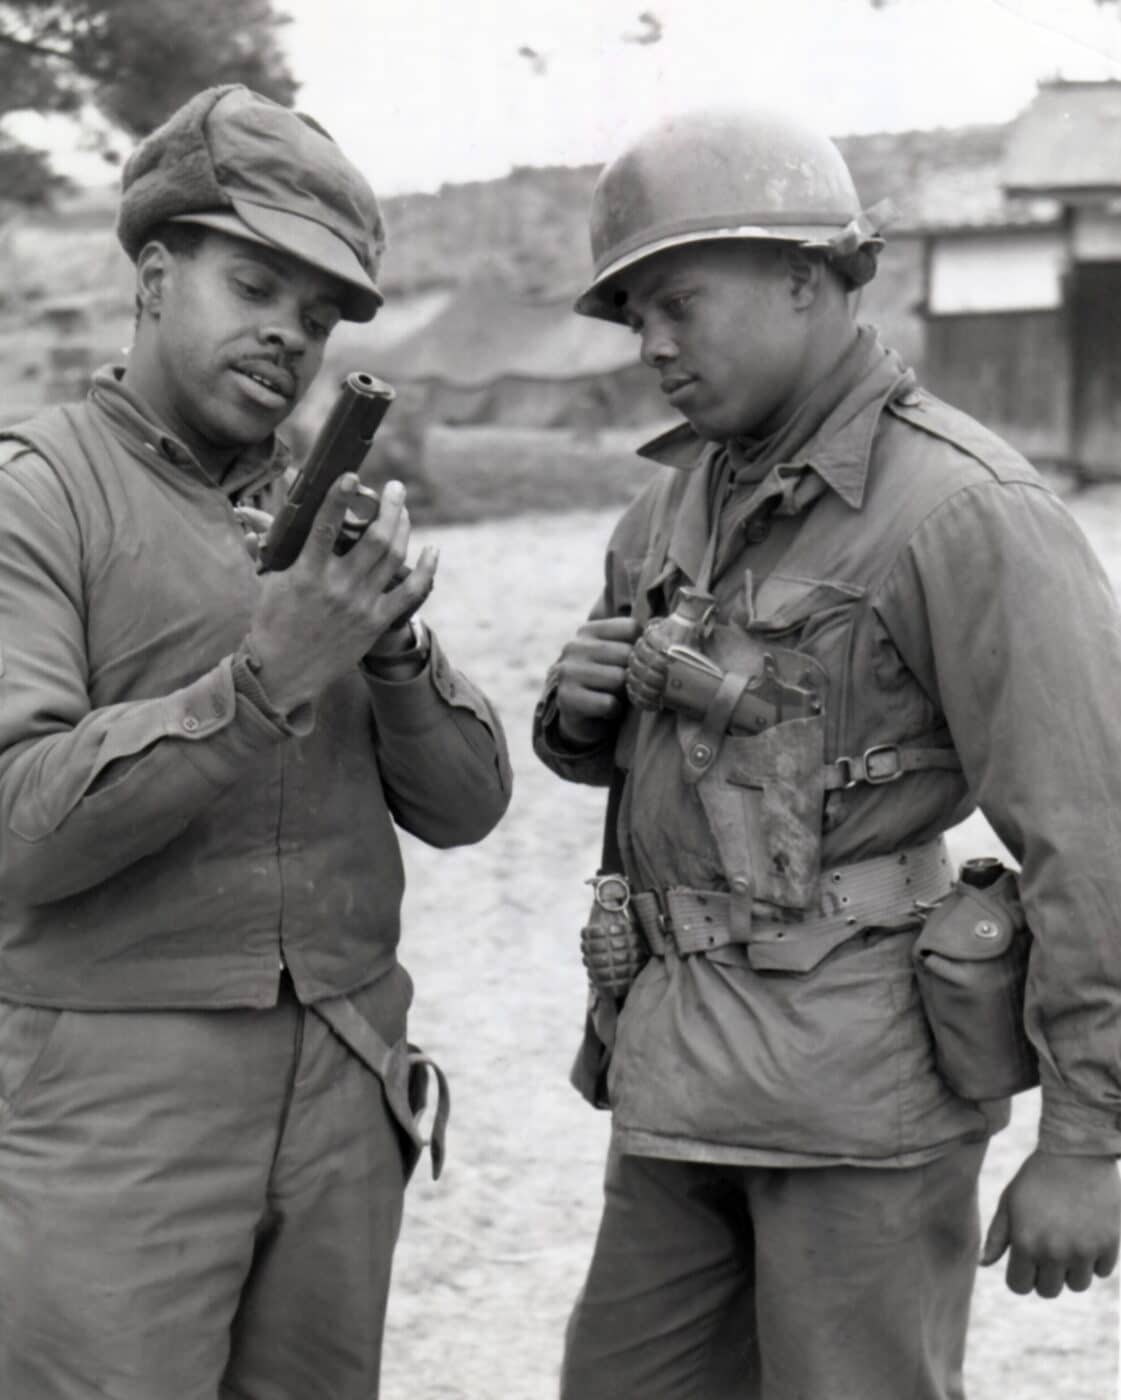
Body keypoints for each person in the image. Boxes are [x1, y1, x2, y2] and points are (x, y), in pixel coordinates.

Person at [533, 105, 1121, 1399]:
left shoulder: (963, 510)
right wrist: (582, 714)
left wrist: (1087, 1132)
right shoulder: (663, 509)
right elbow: (675, 771)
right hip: (676, 1076)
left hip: (858, 1104)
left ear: (803, 277)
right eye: (634, 315)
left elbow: (1091, 823)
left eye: (677, 302)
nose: (652, 345)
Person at [0, 84, 511, 1400]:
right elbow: (20, 838)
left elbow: (465, 809)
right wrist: (270, 669)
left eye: (318, 312)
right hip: (118, 1104)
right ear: (157, 275)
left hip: (342, 1077)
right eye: (254, 284)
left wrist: (387, 641)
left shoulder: (319, 511)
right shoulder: (39, 498)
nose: (289, 332)